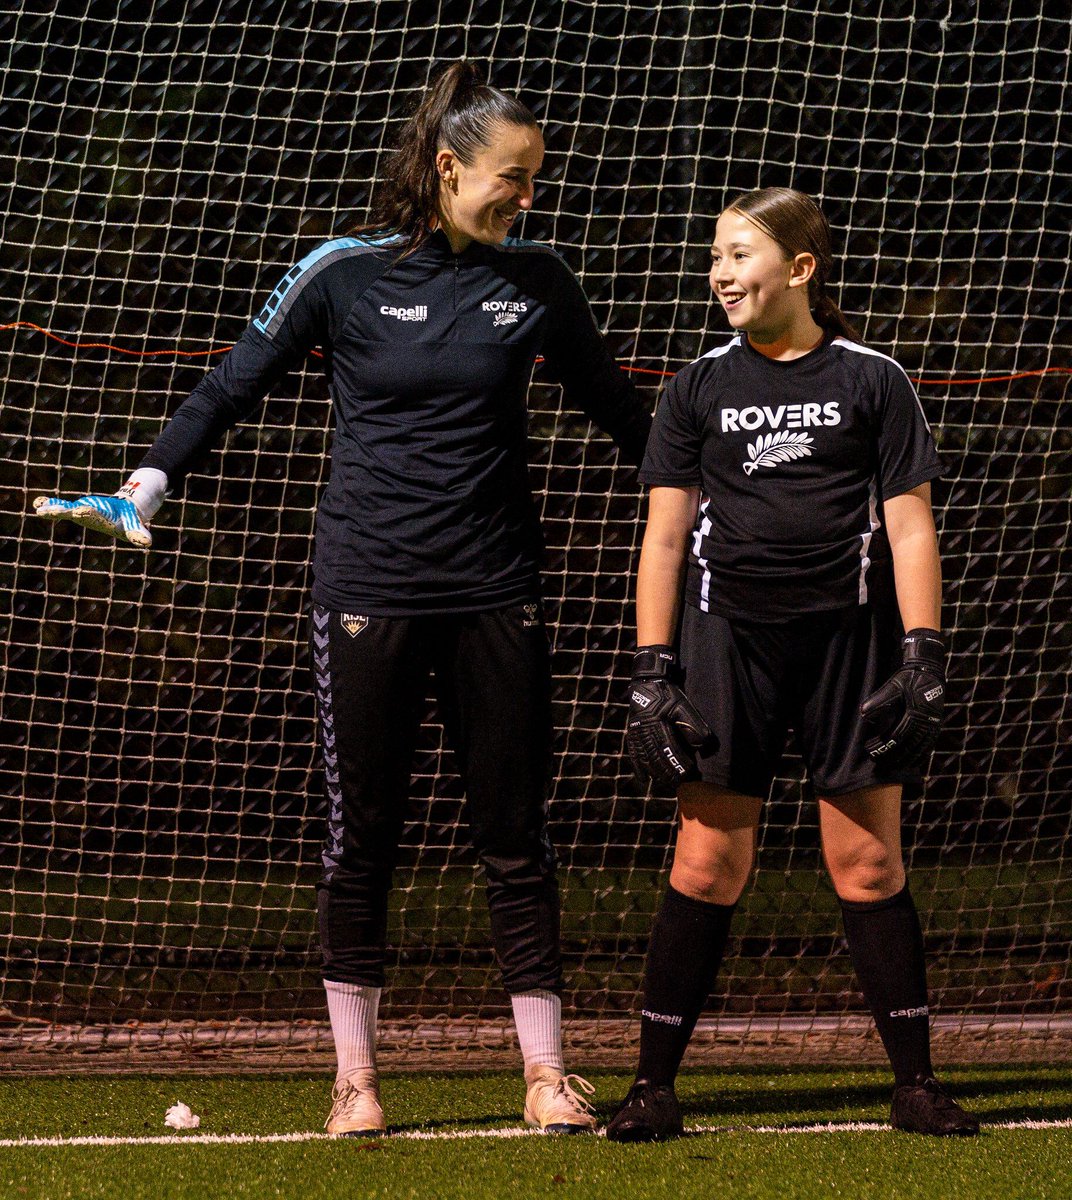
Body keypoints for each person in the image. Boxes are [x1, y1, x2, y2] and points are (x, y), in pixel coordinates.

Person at [34, 61, 652, 1137]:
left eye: (535, 181)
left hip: (497, 592)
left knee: (515, 834)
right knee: (361, 838)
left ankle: (547, 1076)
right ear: (449, 167)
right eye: (513, 177)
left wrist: (734, 499)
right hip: (364, 589)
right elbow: (232, 383)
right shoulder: (342, 271)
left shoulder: (540, 281)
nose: (527, 197)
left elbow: (621, 413)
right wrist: (146, 484)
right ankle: (357, 1085)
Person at [606, 187, 979, 1142]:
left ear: (800, 269)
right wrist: (653, 669)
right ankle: (651, 1086)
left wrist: (924, 652)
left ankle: (916, 1084)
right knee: (706, 864)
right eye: (717, 257)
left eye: (739, 255)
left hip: (849, 646)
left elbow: (909, 528)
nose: (720, 272)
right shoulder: (695, 388)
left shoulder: (873, 379)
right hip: (725, 641)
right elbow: (661, 539)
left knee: (865, 863)